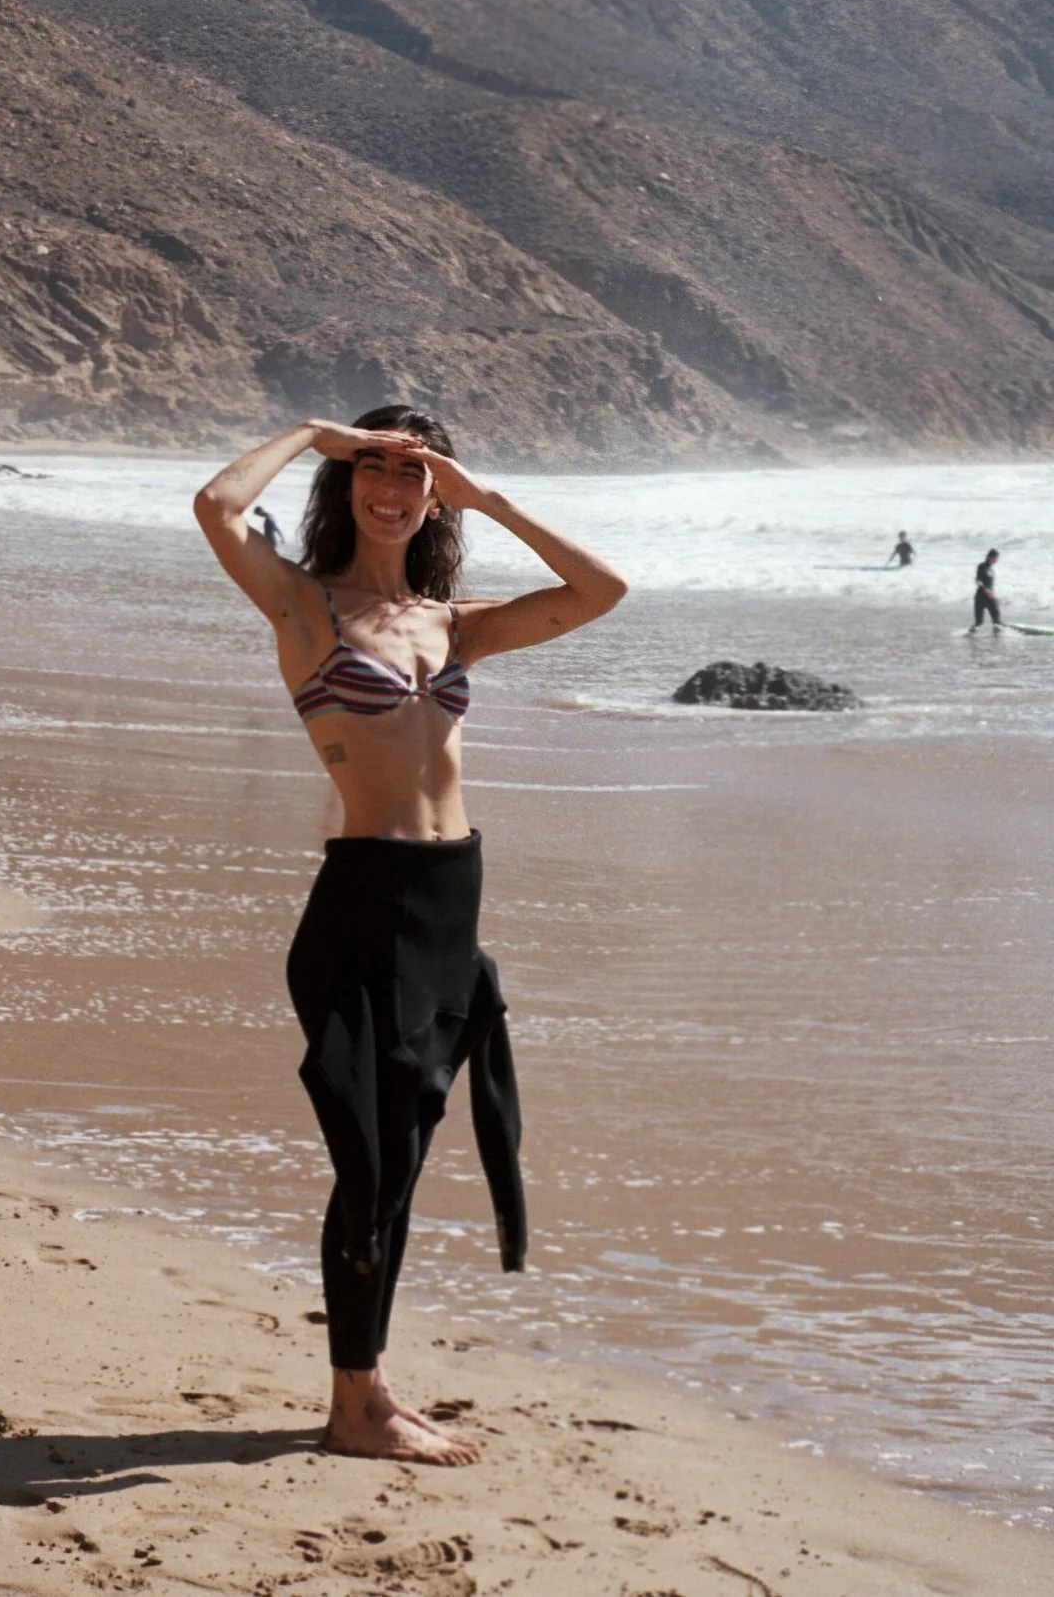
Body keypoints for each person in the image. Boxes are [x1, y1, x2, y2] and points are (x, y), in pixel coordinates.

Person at [193, 406, 626, 1465]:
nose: (389, 487)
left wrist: (488, 496)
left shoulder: (455, 622)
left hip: (451, 903)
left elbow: (602, 593)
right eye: (371, 467)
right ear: (345, 483)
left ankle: (367, 1391)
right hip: (367, 902)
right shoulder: (305, 607)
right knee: (371, 1166)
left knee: (405, 1164)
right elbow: (216, 505)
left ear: (434, 494)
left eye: (411, 472)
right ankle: (357, 1404)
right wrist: (307, 430)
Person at [971, 548, 1002, 632]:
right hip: (980, 598)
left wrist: (995, 598)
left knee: (997, 620)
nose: (997, 560)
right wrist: (985, 589)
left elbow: (990, 586)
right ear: (991, 557)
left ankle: (997, 638)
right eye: (996, 558)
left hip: (989, 598)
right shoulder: (982, 566)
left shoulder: (991, 570)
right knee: (979, 623)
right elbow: (978, 580)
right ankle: (969, 637)